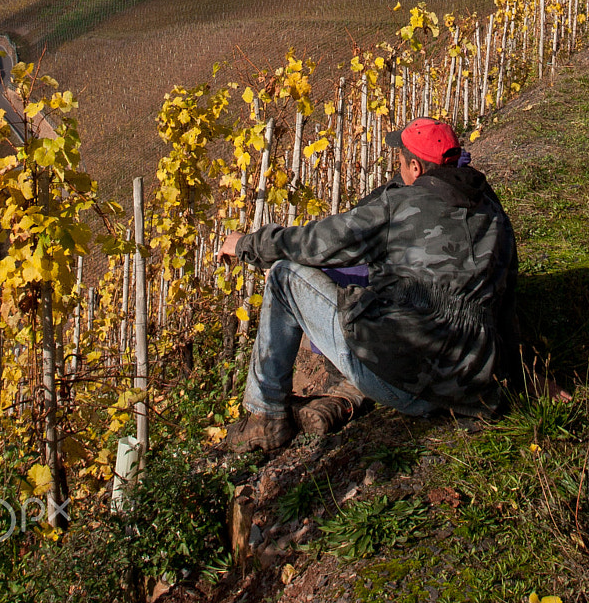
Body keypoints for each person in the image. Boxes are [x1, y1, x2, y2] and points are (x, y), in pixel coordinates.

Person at [216, 117, 518, 452]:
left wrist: (246, 243)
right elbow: (504, 298)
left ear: (415, 168)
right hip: (468, 387)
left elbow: (316, 243)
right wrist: (521, 376)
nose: (398, 170)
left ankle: (265, 416)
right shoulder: (491, 211)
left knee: (285, 276)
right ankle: (346, 392)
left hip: (408, 387)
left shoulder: (399, 207)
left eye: (400, 163)